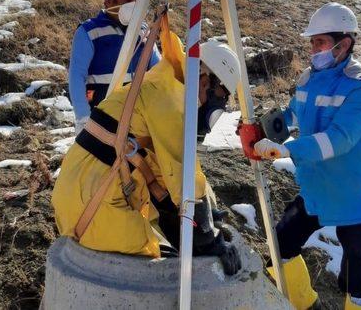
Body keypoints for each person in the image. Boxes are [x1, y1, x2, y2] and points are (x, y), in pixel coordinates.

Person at [53, 16, 242, 275]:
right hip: (93, 205)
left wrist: (203, 221)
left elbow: (160, 176)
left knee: (161, 236)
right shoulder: (170, 100)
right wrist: (209, 240)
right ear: (205, 78)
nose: (216, 105)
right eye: (221, 96)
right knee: (155, 264)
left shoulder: (165, 82)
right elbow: (183, 178)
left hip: (77, 192)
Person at [253, 2, 361, 310]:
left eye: (320, 42)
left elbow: (339, 140)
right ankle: (306, 305)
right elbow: (291, 117)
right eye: (312, 42)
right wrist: (260, 129)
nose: (314, 49)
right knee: (279, 245)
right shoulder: (308, 80)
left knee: (355, 281)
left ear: (344, 44)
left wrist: (289, 149)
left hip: (356, 197)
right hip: (316, 190)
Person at [68, 0, 160, 134]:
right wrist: (83, 118)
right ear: (108, 0)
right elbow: (76, 77)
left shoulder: (143, 31)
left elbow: (159, 71)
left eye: (138, 0)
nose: (134, 6)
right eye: (128, 0)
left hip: (137, 119)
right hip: (100, 117)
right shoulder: (89, 32)